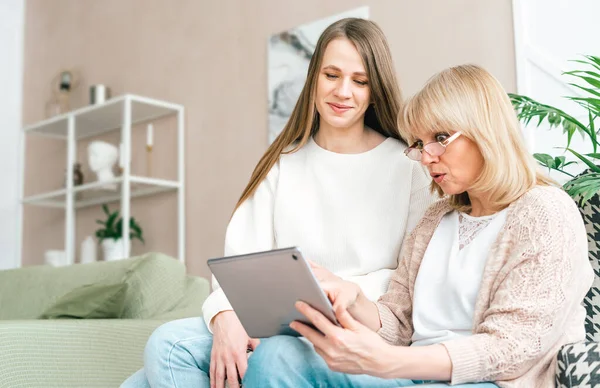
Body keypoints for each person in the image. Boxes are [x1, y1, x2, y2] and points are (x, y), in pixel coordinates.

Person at [121, 17, 435, 388]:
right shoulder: (282, 163)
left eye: (360, 80)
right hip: (275, 324)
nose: (343, 91)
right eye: (331, 75)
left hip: (356, 328)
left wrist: (341, 292)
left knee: (148, 375)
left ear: (375, 89)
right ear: (313, 78)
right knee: (166, 346)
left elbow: (413, 281)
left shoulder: (408, 167)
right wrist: (225, 317)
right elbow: (239, 265)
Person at [242, 64, 595, 388]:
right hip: (409, 374)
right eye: (419, 144)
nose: (427, 157)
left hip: (485, 382)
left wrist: (391, 363)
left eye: (440, 137)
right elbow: (398, 325)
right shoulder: (435, 218)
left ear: (485, 130)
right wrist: (351, 298)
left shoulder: (544, 211)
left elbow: (511, 348)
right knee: (277, 355)